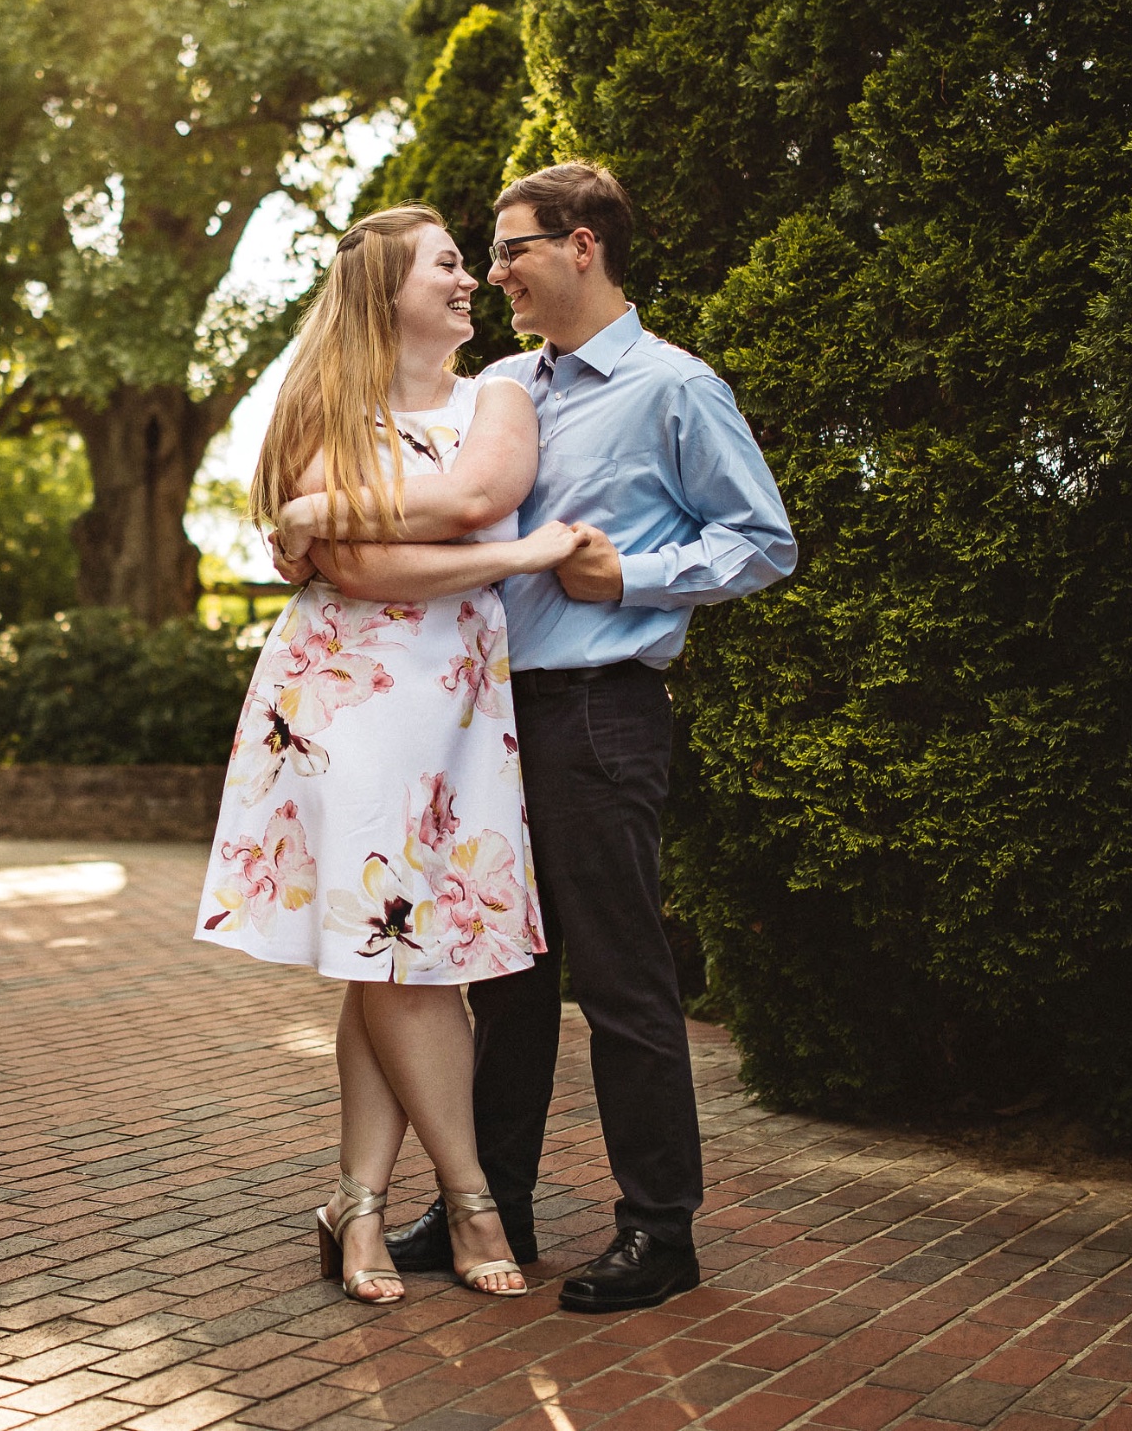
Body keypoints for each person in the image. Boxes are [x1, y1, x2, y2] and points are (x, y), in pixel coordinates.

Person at [271, 163, 797, 1313]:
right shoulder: (504, 383)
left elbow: (765, 539)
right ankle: (491, 1204)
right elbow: (440, 499)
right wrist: (322, 517)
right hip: (483, 719)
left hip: (602, 708)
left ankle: (660, 1227)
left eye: (511, 249)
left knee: (621, 980)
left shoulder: (675, 387)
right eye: (484, 254)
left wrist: (639, 574)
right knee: (507, 978)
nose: (495, 269)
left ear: (582, 249)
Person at [192, 203, 582, 1306]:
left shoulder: (498, 389)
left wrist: (326, 505)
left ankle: (356, 1205)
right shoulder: (326, 399)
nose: (472, 280)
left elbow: (473, 493)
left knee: (391, 955)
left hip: (455, 706)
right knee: (403, 951)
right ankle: (470, 1196)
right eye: (450, 265)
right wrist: (515, 557)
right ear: (388, 290)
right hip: (342, 698)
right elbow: (359, 576)